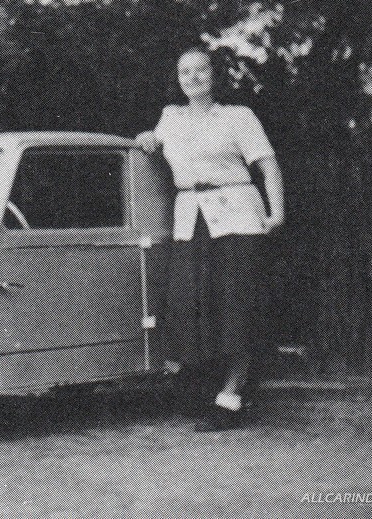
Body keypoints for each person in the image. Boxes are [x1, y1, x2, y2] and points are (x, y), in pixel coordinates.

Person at [137, 47, 285, 431]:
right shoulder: (170, 118)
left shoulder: (238, 116)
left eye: (201, 70)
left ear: (214, 75)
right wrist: (147, 138)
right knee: (192, 305)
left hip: (237, 214)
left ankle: (233, 395)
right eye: (185, 72)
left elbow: (268, 165)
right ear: (178, 79)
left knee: (237, 305)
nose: (193, 77)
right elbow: (153, 143)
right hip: (191, 217)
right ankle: (207, 388)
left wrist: (277, 212)